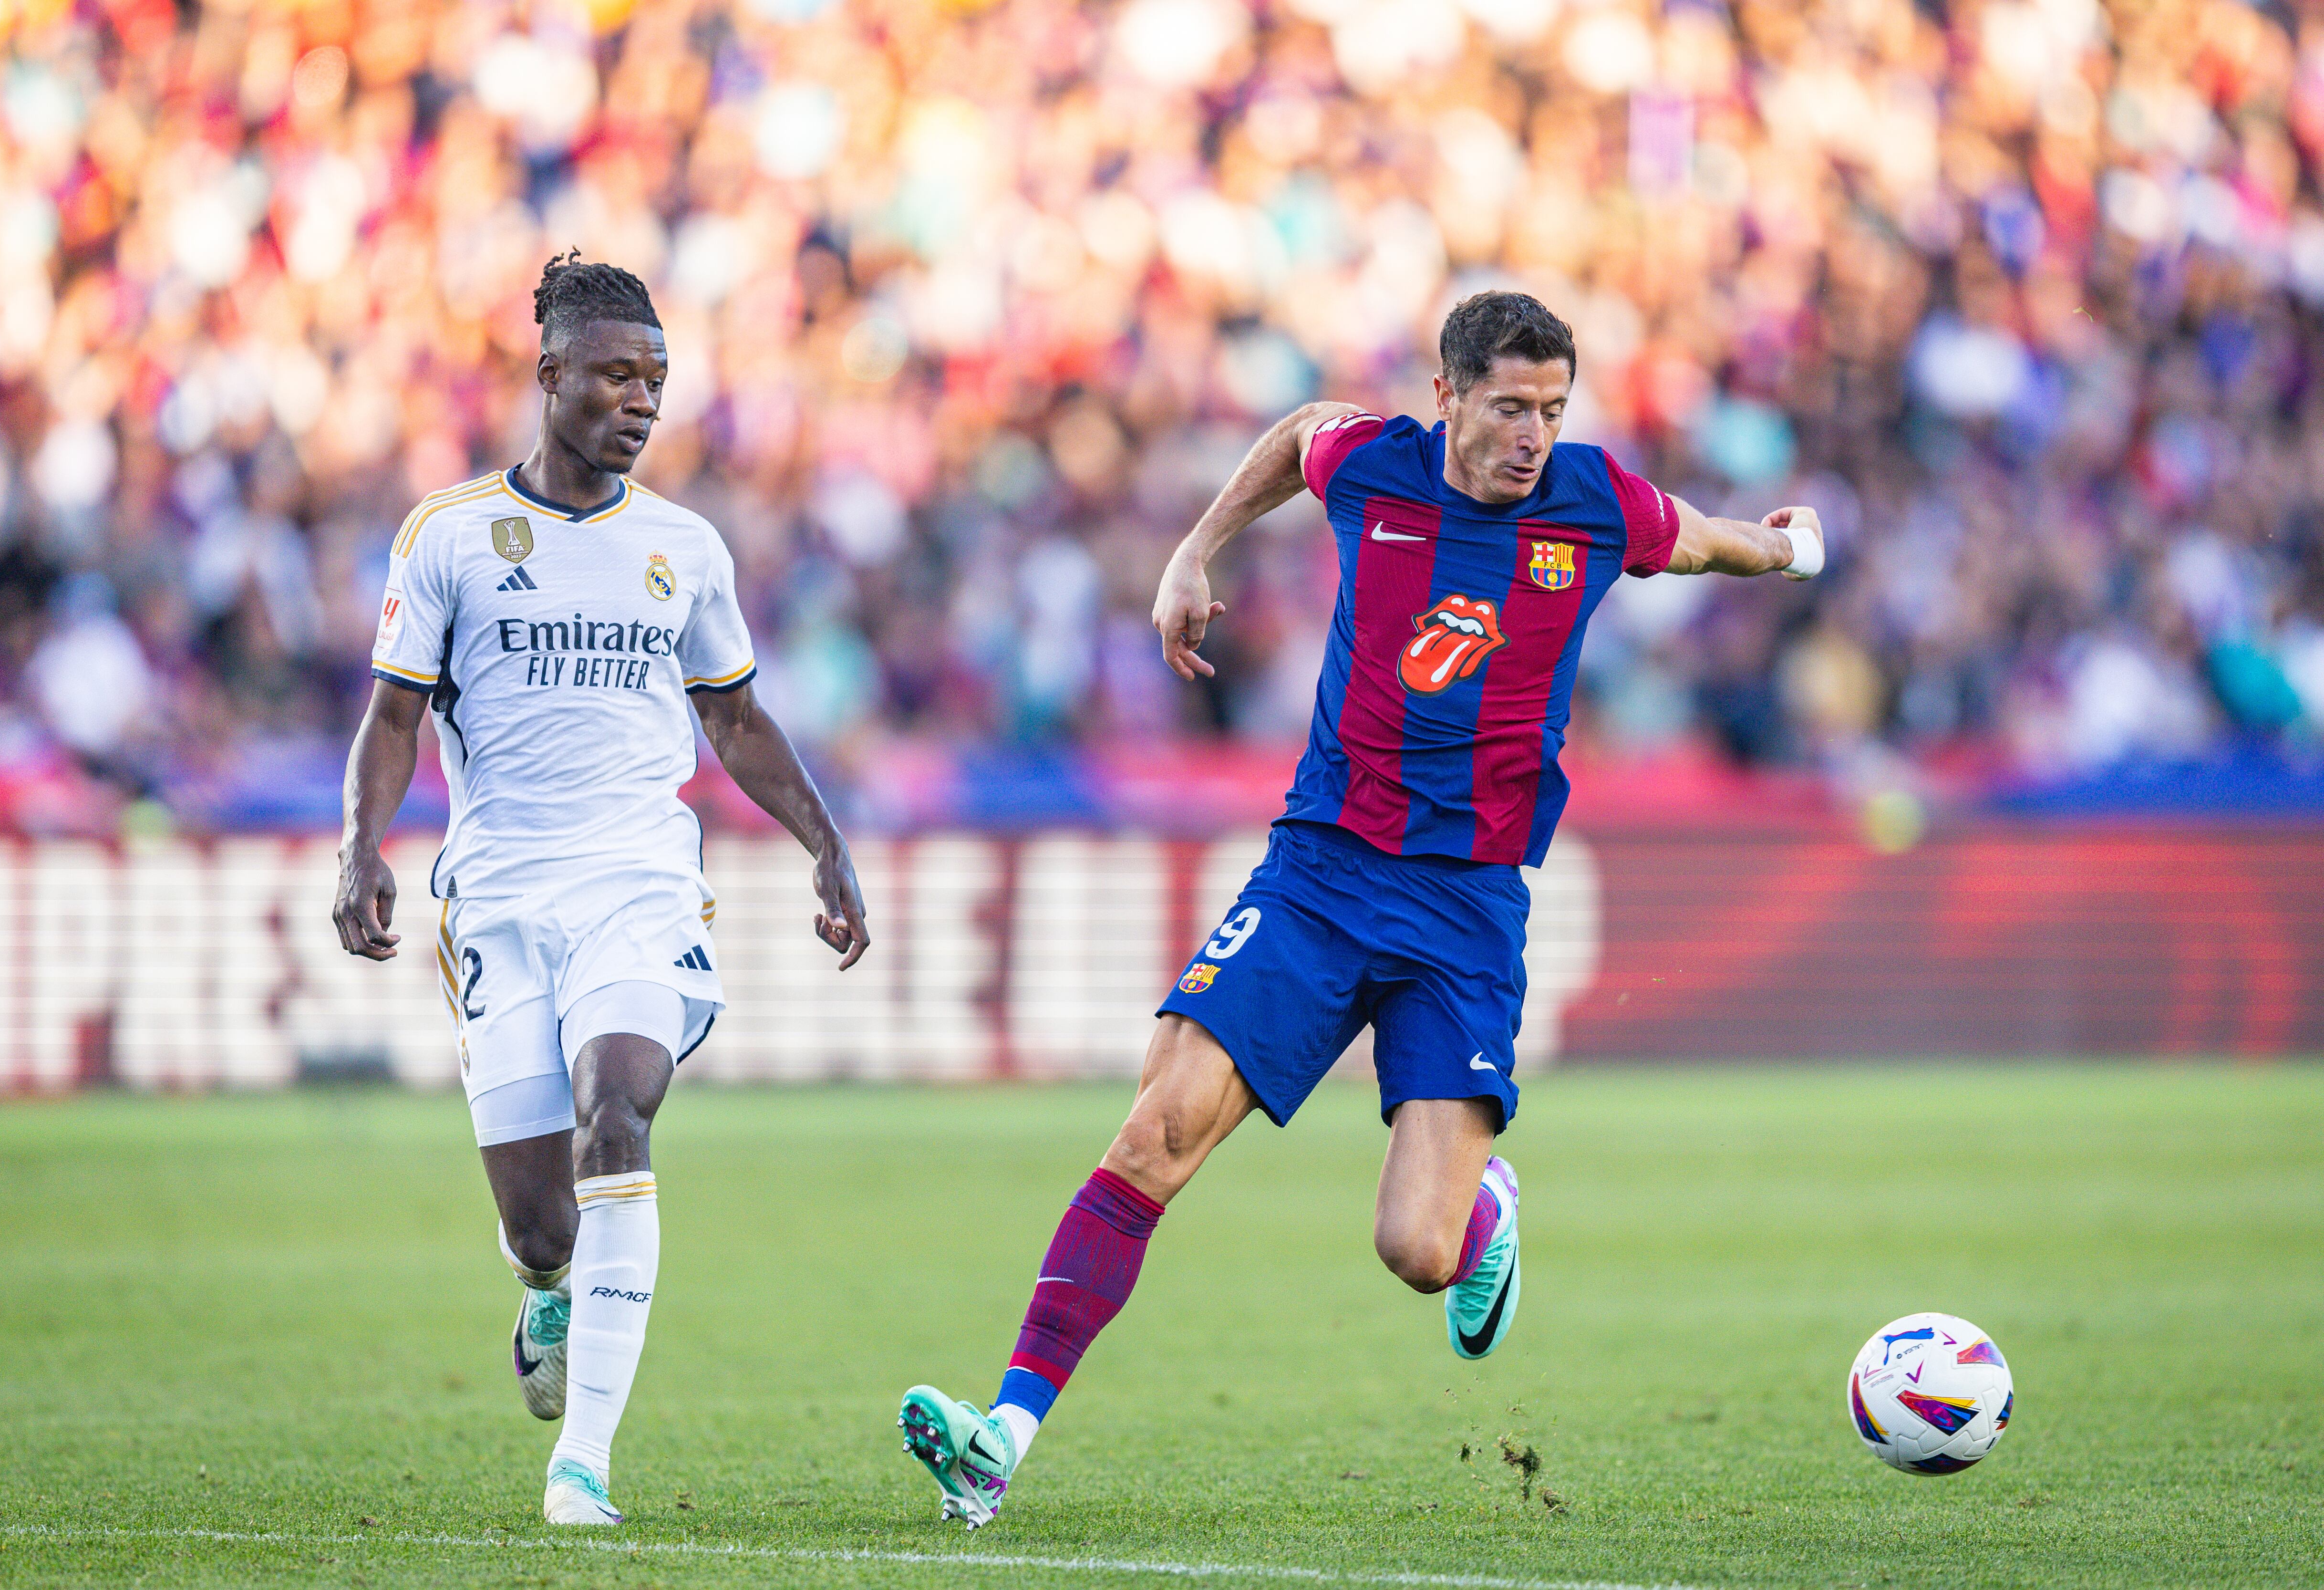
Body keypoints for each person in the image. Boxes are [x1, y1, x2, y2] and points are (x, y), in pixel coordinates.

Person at [896, 291, 1824, 1526]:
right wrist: (1196, 549)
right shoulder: (1375, 468)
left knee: (1416, 1254)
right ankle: (1000, 1442)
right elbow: (1292, 434)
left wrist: (1787, 547)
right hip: (1327, 868)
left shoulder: (1596, 504)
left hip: (1470, 911)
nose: (1532, 435)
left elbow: (1710, 539)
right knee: (1157, 1130)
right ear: (1446, 396)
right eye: (1507, 407)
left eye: (1551, 409)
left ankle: (1481, 1209)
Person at [332, 252, 869, 1527]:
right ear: (551, 373)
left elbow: (734, 722)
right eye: (617, 377)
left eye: (657, 382)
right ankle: (543, 1298)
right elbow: (394, 717)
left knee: (614, 1119)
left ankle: (583, 1465)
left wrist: (825, 845)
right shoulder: (452, 535)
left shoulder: (683, 547)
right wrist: (361, 843)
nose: (640, 401)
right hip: (502, 901)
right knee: (540, 1227)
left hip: (640, 885)